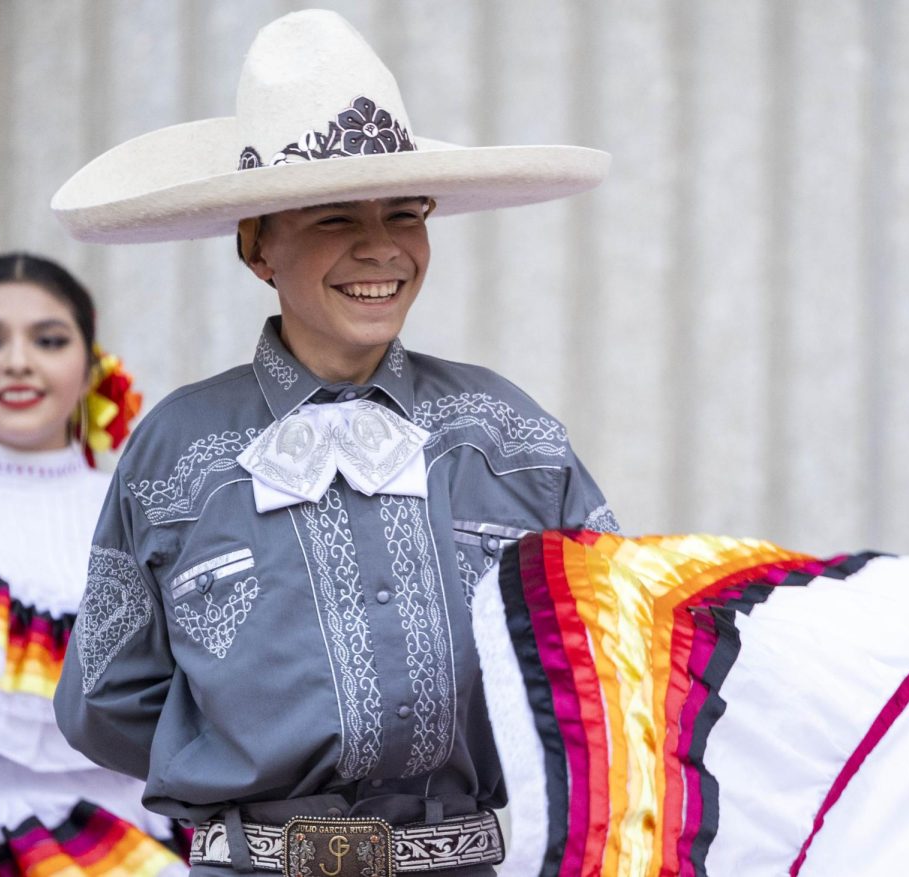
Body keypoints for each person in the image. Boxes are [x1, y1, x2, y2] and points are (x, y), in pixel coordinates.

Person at [51, 10, 616, 877]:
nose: (379, 247)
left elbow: (609, 649)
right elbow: (106, 697)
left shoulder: (510, 436)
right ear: (256, 246)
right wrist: (247, 758)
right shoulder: (179, 451)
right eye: (331, 218)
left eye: (404, 212)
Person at [0, 252, 184, 876]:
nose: (17, 362)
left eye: (49, 339)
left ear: (91, 364)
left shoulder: (145, 510)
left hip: (130, 839)